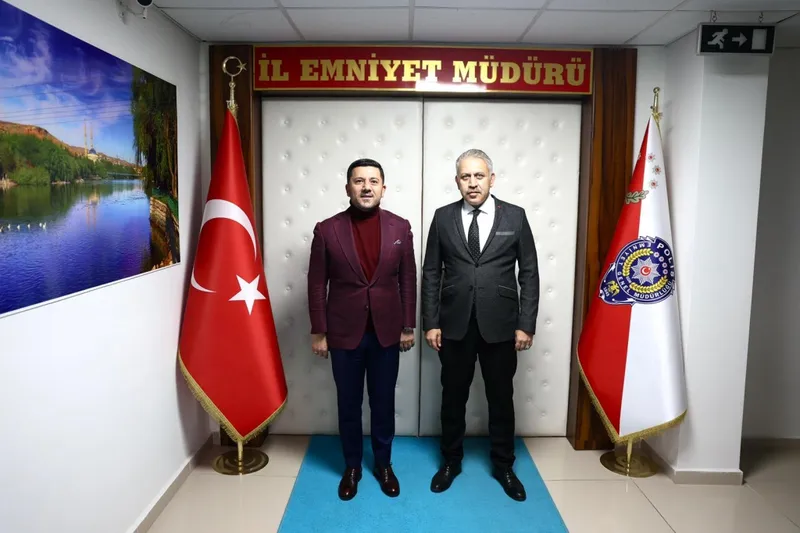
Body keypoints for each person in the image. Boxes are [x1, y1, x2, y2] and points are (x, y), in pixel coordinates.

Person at [421, 148, 540, 502]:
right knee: (452, 397)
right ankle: (450, 462)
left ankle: (504, 466)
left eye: (479, 175)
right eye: (465, 176)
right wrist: (430, 322)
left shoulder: (515, 216)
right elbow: (431, 272)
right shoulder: (442, 217)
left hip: (501, 325)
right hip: (454, 323)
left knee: (501, 398)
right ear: (457, 181)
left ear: (492, 178)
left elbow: (529, 272)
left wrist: (526, 324)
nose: (472, 183)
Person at [307, 158, 417, 501]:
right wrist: (319, 331)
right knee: (349, 404)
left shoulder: (401, 228)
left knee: (383, 403)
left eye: (373, 181)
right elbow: (316, 283)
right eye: (359, 181)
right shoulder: (327, 230)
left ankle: (384, 465)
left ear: (384, 188)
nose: (366, 187)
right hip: (343, 333)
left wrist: (408, 325)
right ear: (348, 188)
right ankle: (352, 466)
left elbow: (408, 279)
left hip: (387, 332)